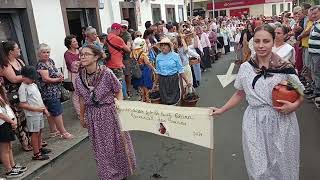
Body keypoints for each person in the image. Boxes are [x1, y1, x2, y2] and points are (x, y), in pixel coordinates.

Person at [211, 24, 304, 180]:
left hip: (282, 120)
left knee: (283, 164)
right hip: (254, 121)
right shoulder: (246, 68)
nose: (261, 46)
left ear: (273, 41)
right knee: (258, 166)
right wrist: (222, 110)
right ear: (253, 42)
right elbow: (240, 92)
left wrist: (294, 105)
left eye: (266, 41)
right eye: (257, 41)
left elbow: (301, 92)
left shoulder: (285, 67)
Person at [75, 45, 136, 179]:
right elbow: (81, 99)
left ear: (96, 57)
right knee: (101, 147)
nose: (83, 57)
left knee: (116, 144)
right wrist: (82, 116)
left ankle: (122, 171)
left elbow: (118, 90)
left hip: (109, 112)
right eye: (81, 54)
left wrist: (119, 106)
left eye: (86, 54)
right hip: (93, 115)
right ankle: (108, 174)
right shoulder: (79, 78)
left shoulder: (106, 73)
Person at [36, 43, 73, 139]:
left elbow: (56, 71)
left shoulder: (50, 61)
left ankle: (53, 131)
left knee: (52, 112)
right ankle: (63, 132)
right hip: (49, 92)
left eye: (48, 52)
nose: (46, 54)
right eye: (43, 52)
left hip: (55, 90)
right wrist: (58, 79)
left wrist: (59, 75)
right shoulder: (41, 65)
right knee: (57, 112)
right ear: (39, 53)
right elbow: (46, 79)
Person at [0, 41, 32, 151]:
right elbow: (13, 79)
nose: (19, 50)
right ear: (10, 52)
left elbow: (25, 72)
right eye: (17, 48)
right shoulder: (5, 65)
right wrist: (28, 75)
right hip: (13, 97)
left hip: (25, 93)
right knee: (19, 121)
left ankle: (31, 140)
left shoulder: (19, 60)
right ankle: (25, 143)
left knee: (27, 118)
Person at [18, 66, 51, 160]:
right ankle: (36, 153)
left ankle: (40, 147)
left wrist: (44, 109)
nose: (32, 79)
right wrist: (36, 109)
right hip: (32, 114)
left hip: (39, 112)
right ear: (23, 77)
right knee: (34, 133)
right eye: (30, 78)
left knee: (40, 131)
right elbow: (22, 104)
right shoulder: (23, 88)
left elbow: (39, 99)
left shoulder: (33, 85)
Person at [155, 37, 191, 105]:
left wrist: (187, 82)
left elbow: (181, 71)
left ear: (169, 47)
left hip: (173, 79)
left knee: (174, 98)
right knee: (164, 99)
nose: (163, 47)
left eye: (165, 45)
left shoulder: (176, 56)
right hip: (163, 81)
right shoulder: (158, 57)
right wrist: (154, 84)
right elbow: (158, 72)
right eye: (162, 45)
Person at [130, 38, 155, 102]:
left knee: (140, 85)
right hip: (144, 69)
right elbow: (147, 63)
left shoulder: (132, 52)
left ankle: (142, 98)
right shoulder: (143, 53)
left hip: (137, 70)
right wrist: (154, 69)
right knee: (146, 85)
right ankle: (147, 98)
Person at [64, 35, 81, 116]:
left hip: (82, 74)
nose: (76, 42)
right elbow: (72, 65)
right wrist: (82, 62)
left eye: (76, 41)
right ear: (70, 44)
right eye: (74, 41)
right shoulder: (67, 54)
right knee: (75, 95)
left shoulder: (79, 51)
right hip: (74, 75)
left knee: (84, 93)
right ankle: (79, 113)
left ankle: (85, 111)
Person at [120, 20, 133, 98]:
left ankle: (129, 90)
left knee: (127, 74)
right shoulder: (117, 34)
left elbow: (129, 46)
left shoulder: (128, 35)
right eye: (122, 27)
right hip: (118, 57)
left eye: (125, 27)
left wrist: (123, 47)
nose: (123, 28)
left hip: (126, 57)